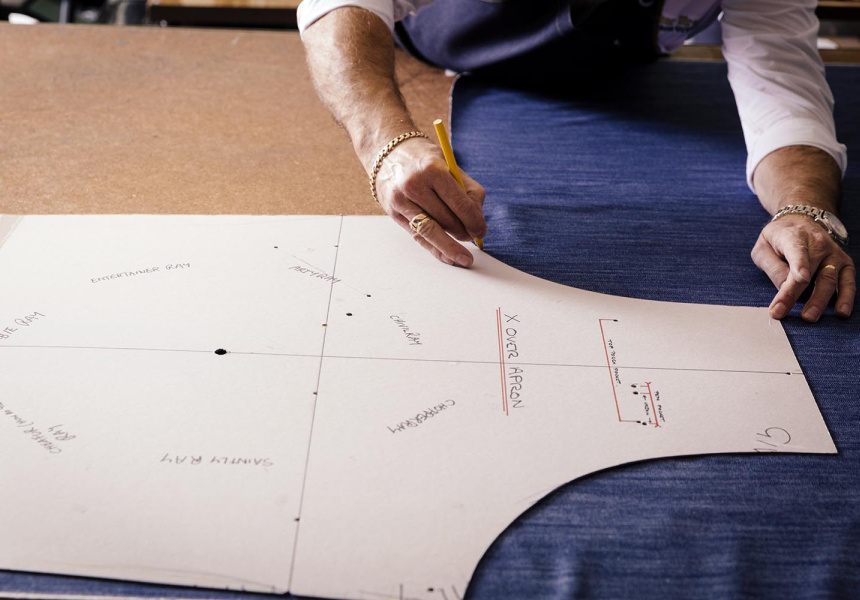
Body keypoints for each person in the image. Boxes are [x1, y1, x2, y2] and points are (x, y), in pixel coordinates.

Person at [297, 0, 855, 323]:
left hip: (623, 80)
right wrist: (387, 143)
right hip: (440, 55)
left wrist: (804, 209)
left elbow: (781, 81)